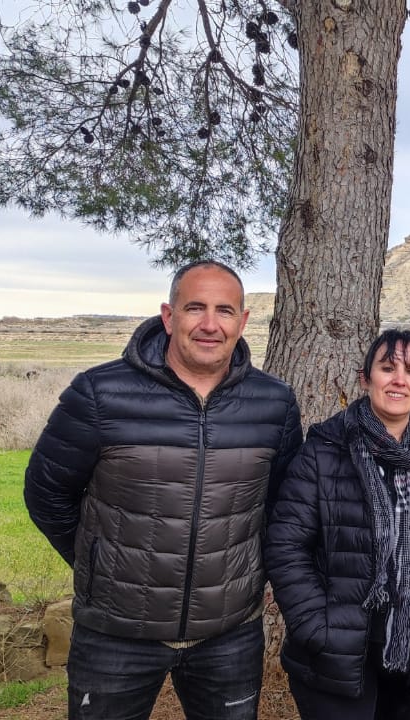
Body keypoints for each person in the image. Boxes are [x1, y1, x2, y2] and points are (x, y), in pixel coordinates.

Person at [24, 260, 303, 720]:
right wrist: (99, 564)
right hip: (116, 633)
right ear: (168, 317)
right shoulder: (100, 392)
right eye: (195, 308)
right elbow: (47, 493)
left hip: (229, 634)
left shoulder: (273, 402)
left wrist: (246, 575)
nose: (210, 324)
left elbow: (282, 506)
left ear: (243, 321)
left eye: (225, 311)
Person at [264, 329, 410, 720]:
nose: (400, 380)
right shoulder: (324, 452)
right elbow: (286, 547)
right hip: (337, 652)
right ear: (366, 379)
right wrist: (318, 628)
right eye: (387, 368)